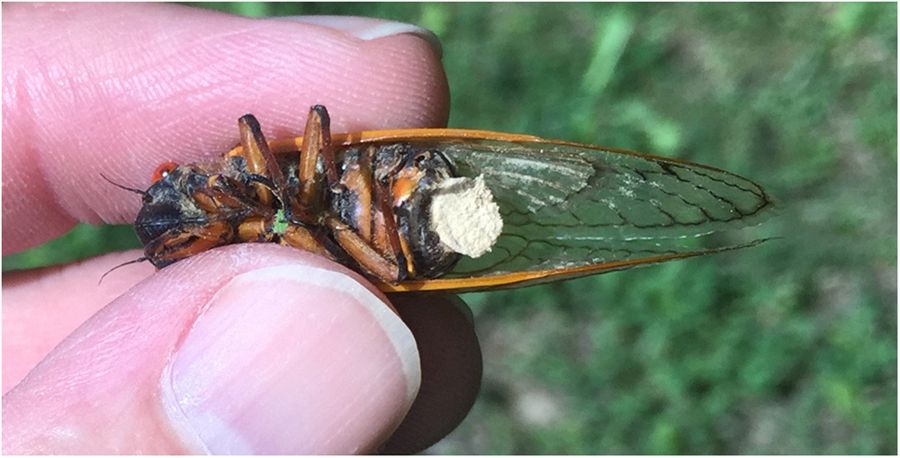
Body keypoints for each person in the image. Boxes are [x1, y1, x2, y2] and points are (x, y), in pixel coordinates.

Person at [3, 4, 481, 454]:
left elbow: (285, 131)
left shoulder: (235, 171)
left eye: (167, 176)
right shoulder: (238, 249)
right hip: (381, 250)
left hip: (371, 180)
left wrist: (269, 203)